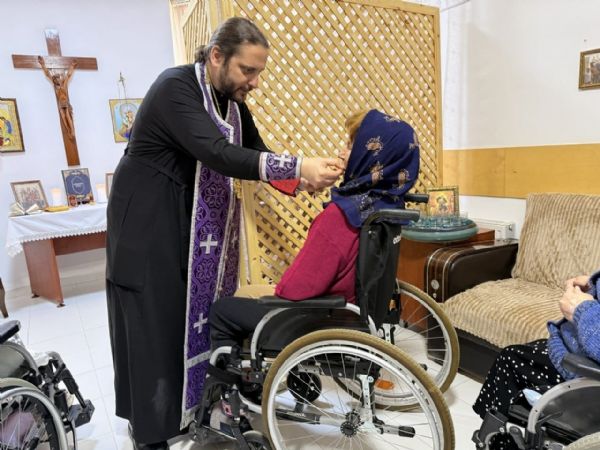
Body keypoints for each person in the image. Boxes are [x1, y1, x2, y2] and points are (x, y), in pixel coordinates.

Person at [105, 17, 343, 450]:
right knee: (152, 324)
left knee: (188, 317)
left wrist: (304, 178)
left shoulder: (231, 102)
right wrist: (298, 165)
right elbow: (216, 152)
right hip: (148, 219)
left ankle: (189, 409)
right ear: (217, 56)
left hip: (189, 221)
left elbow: (255, 153)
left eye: (258, 72)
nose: (254, 82)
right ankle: (150, 430)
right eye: (247, 70)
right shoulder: (175, 87)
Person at [209, 108, 421, 354]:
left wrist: (281, 288)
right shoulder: (386, 207)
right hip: (357, 313)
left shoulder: (341, 215)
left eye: (350, 145)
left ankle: (232, 374)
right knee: (247, 293)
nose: (341, 152)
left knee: (222, 311)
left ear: (371, 155)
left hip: (322, 318)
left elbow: (295, 289)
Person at [473, 271, 600, 449]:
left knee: (510, 358)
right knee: (519, 352)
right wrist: (593, 284)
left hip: (583, 372)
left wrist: (582, 309)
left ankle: (495, 440)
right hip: (570, 348)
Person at [38, 56, 77, 138]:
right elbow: (48, 74)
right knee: (63, 116)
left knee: (67, 115)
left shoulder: (64, 85)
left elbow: (68, 75)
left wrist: (72, 66)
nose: (57, 80)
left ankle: (72, 130)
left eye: (57, 79)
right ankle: (68, 130)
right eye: (55, 80)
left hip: (65, 102)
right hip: (60, 103)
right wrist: (43, 65)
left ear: (60, 79)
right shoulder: (56, 87)